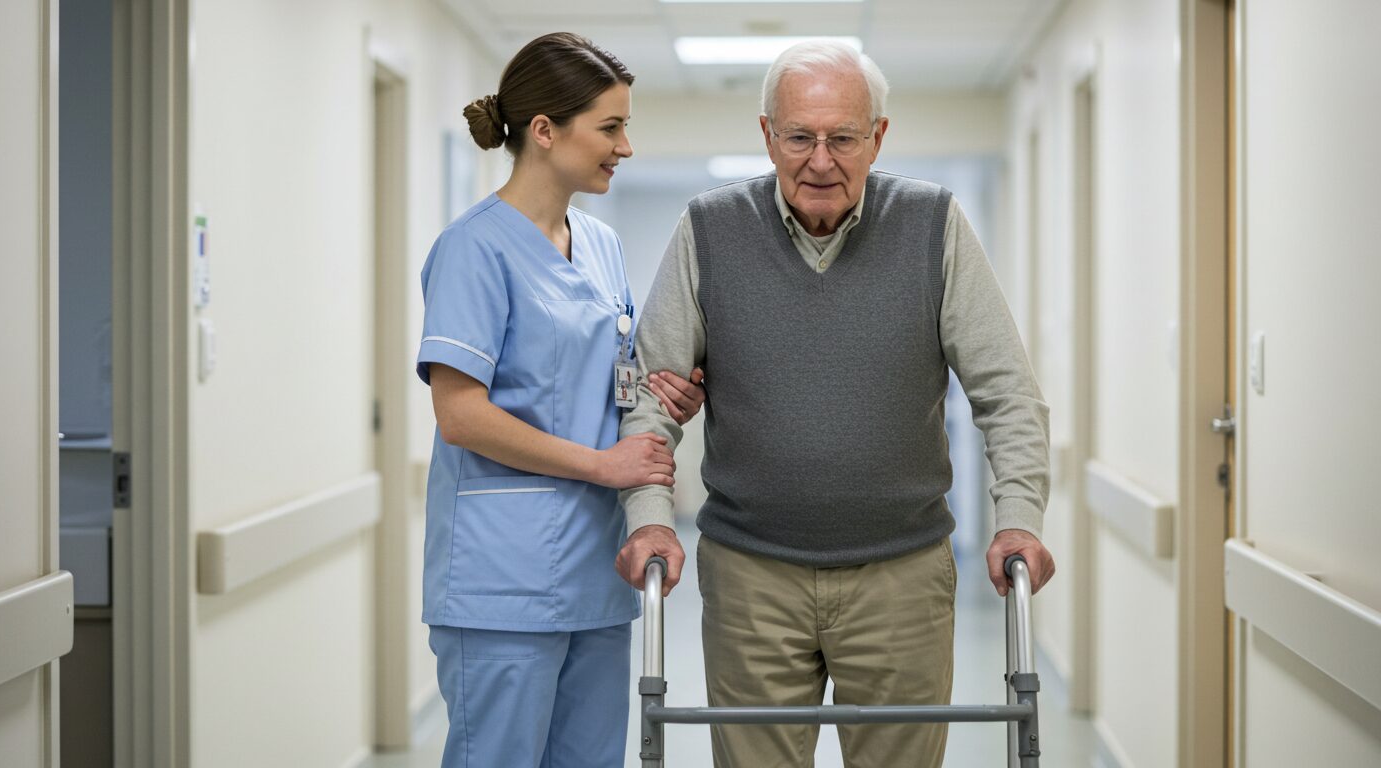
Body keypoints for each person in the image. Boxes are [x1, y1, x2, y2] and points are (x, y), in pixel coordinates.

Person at [612, 41, 1056, 767]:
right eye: (799, 137)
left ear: (878, 137)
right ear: (767, 135)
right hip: (752, 574)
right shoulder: (708, 230)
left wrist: (1019, 523)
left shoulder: (933, 225)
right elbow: (650, 401)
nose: (821, 161)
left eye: (844, 138)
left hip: (902, 578)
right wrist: (650, 523)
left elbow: (1008, 395)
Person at [415, 32, 705, 768]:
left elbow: (603, 372)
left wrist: (662, 392)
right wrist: (605, 466)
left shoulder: (601, 245)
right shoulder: (473, 249)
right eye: (610, 127)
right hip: (502, 581)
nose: (626, 147)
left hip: (593, 572)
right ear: (544, 131)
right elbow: (460, 414)